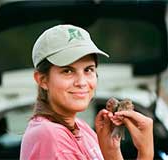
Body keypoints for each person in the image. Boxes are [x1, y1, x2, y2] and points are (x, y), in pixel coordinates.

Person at [20, 24, 154, 160]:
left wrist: (111, 152)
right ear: (42, 79)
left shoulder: (81, 128)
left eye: (88, 69)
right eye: (67, 71)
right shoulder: (50, 136)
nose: (82, 82)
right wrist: (146, 153)